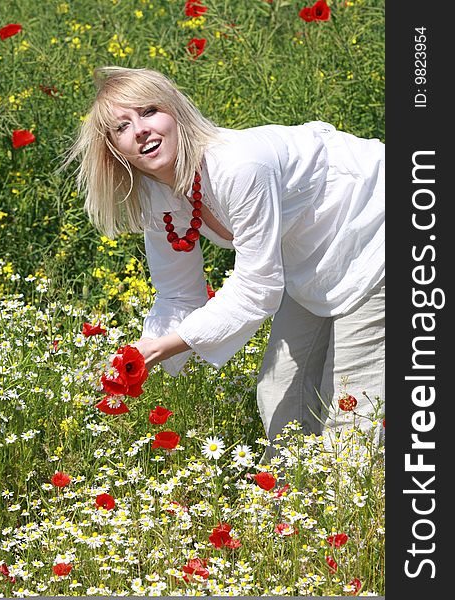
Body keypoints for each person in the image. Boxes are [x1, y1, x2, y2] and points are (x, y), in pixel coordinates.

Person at [67, 66, 385, 452]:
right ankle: (289, 505)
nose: (140, 130)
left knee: (351, 406)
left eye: (149, 111)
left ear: (176, 112)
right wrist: (138, 354)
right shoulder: (157, 200)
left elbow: (257, 289)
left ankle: (349, 506)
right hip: (310, 258)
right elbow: (178, 294)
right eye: (122, 127)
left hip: (375, 227)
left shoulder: (238, 165)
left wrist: (165, 347)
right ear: (115, 149)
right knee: (279, 392)